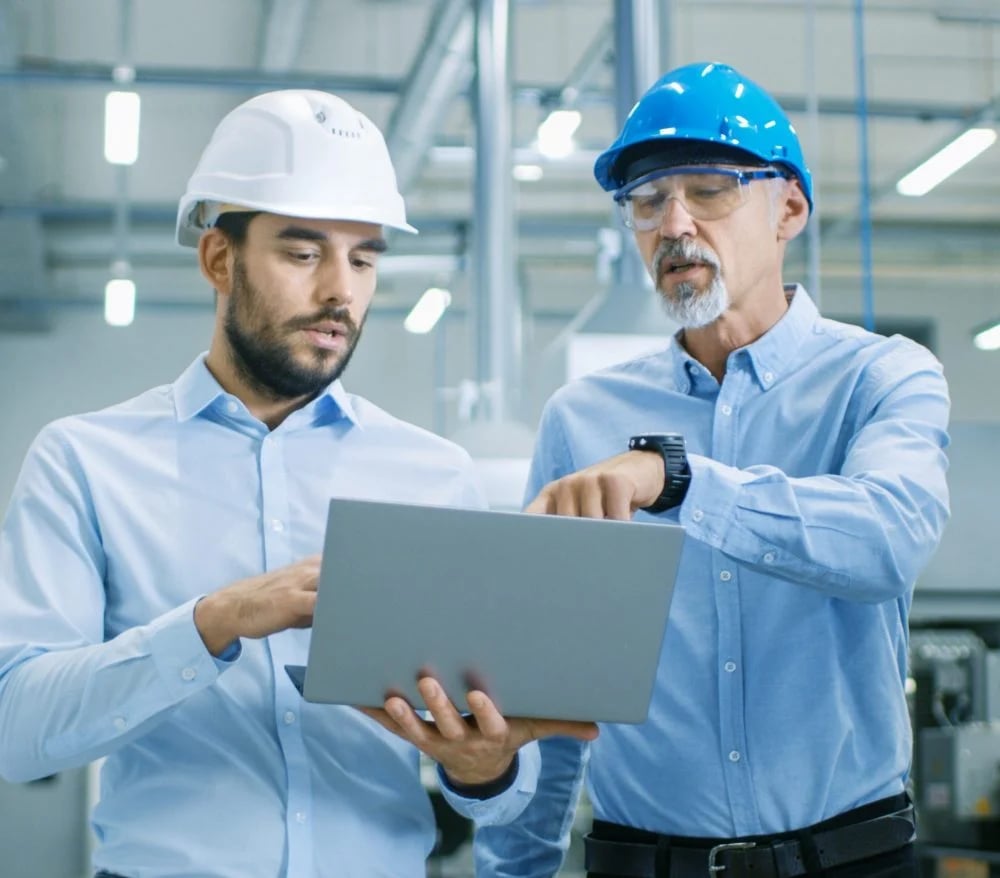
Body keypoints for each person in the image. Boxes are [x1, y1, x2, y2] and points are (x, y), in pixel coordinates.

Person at [0, 90, 595, 878]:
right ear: (219, 258)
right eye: (303, 252)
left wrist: (481, 766)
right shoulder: (87, 461)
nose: (339, 293)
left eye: (364, 257)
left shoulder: (432, 475)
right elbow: (19, 731)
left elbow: (492, 790)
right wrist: (215, 620)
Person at [474, 62, 950, 878]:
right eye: (648, 201)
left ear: (788, 208)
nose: (674, 224)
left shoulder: (882, 378)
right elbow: (550, 697)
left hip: (855, 860)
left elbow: (887, 538)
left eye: (711, 190)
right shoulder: (581, 420)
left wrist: (679, 477)